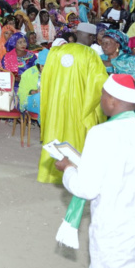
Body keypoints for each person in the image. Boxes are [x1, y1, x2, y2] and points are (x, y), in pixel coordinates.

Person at [54, 74, 135, 268]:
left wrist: (68, 169)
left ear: (112, 101)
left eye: (102, 94)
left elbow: (86, 188)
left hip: (117, 231)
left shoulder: (102, 133)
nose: (100, 99)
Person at [38, 42, 108, 184]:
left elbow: (45, 79)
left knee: (55, 131)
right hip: (80, 103)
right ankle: (75, 172)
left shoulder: (55, 52)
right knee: (77, 134)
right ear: (89, 37)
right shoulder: (90, 54)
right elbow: (99, 83)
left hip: (56, 102)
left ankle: (50, 173)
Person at [100, 29, 135, 118]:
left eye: (107, 43)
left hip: (125, 101)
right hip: (104, 99)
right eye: (102, 43)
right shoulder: (100, 58)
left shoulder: (130, 60)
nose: (104, 46)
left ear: (117, 45)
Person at [17, 49, 48, 115]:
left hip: (49, 101)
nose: (45, 68)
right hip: (33, 100)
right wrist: (33, 91)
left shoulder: (54, 73)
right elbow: (22, 92)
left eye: (47, 66)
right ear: (38, 64)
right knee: (39, 97)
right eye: (43, 66)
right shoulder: (28, 73)